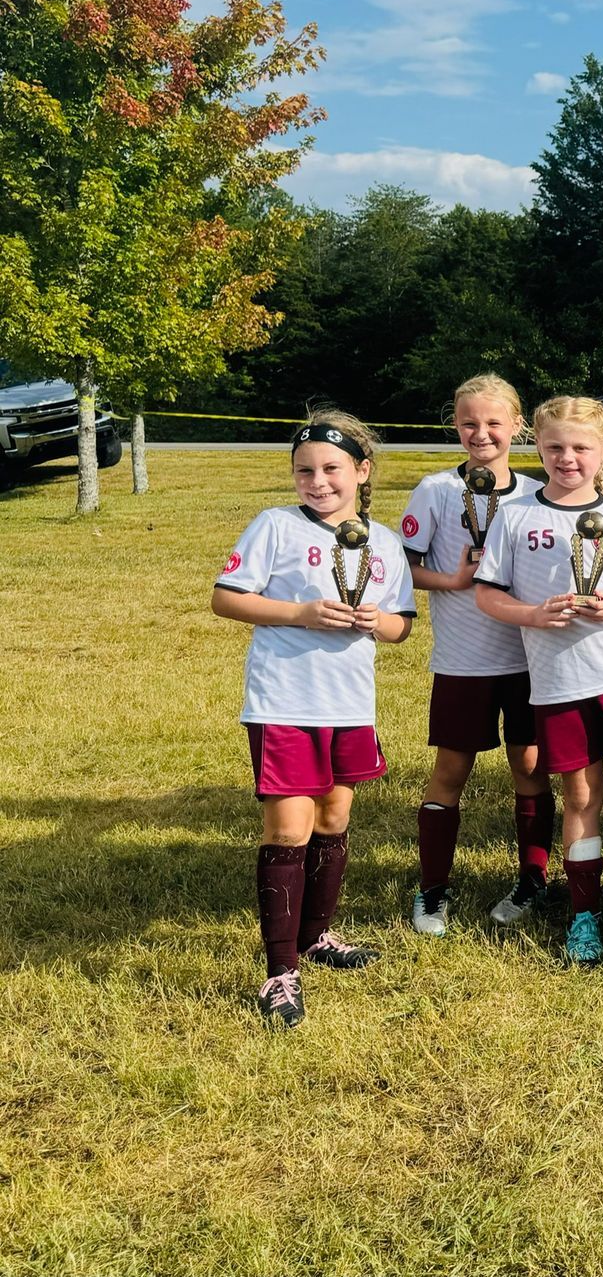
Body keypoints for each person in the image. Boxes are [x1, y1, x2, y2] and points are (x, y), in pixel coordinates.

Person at [212, 412, 417, 1028]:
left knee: (333, 818)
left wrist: (372, 622)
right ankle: (280, 972)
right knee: (288, 831)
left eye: (332, 469)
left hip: (349, 705)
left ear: (362, 471)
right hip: (284, 703)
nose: (318, 481)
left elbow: (402, 625)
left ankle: (317, 937)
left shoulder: (381, 542)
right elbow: (225, 598)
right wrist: (301, 613)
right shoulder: (274, 526)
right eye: (305, 471)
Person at [474, 397, 603, 967]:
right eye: (555, 446)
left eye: (581, 448)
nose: (567, 458)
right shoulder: (514, 515)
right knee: (582, 795)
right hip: (558, 682)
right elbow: (489, 594)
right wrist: (534, 615)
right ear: (537, 444)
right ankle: (585, 914)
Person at [400, 375, 554, 938]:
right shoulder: (437, 488)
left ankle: (532, 880)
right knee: (450, 770)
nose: (482, 433)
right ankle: (432, 889)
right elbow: (403, 567)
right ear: (455, 426)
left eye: (494, 422)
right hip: (464, 660)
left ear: (517, 426)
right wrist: (453, 579)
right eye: (469, 422)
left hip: (528, 659)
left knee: (531, 769)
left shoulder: (538, 493)